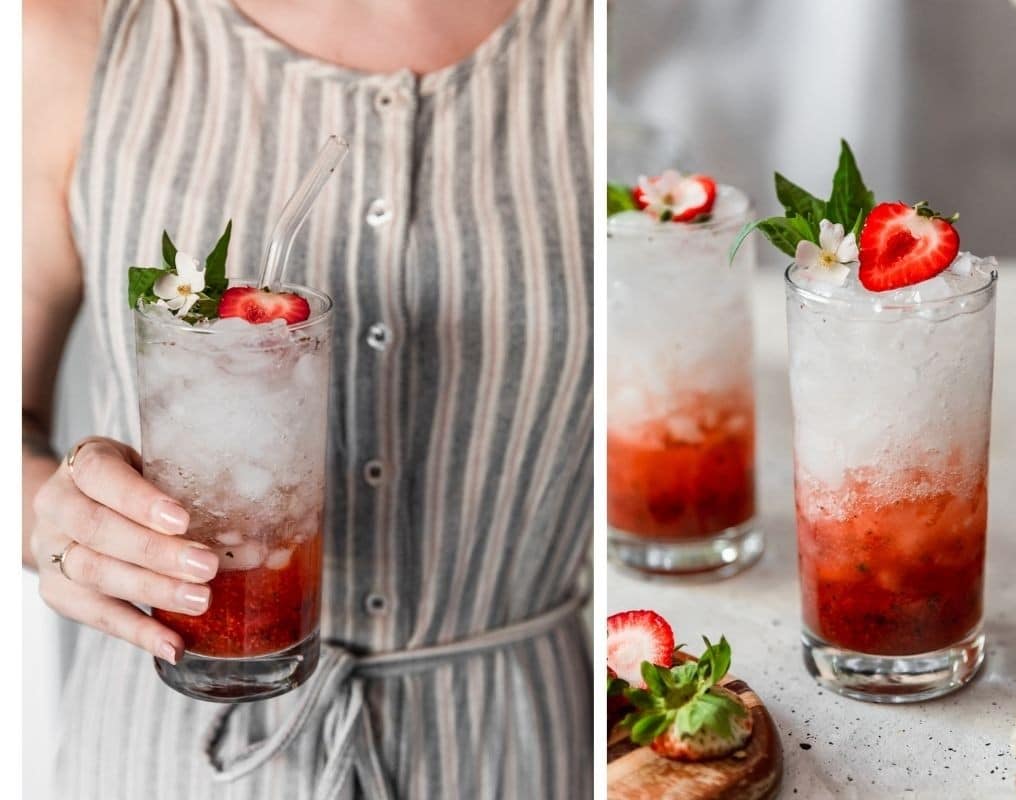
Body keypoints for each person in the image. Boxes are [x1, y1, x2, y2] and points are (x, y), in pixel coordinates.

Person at [22, 0, 593, 796]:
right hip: (164, 754)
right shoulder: (81, 27)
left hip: (514, 751)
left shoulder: (606, 53)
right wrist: (52, 520)